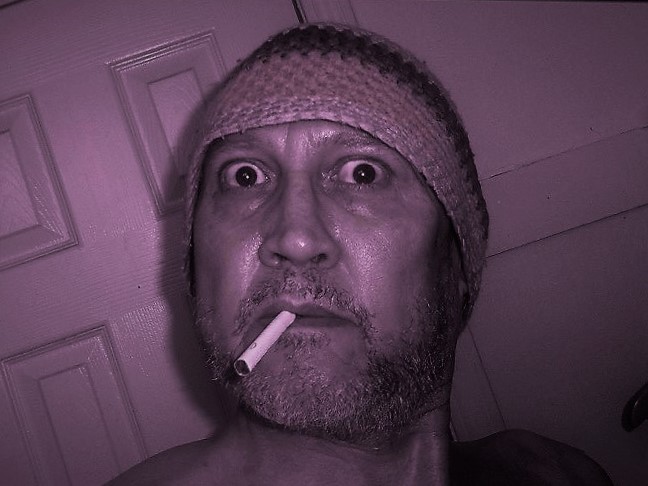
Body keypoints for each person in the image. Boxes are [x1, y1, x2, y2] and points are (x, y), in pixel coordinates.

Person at [109, 23, 612, 485]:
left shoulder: (553, 473)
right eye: (245, 176)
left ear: (457, 261)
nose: (296, 239)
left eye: (363, 174)